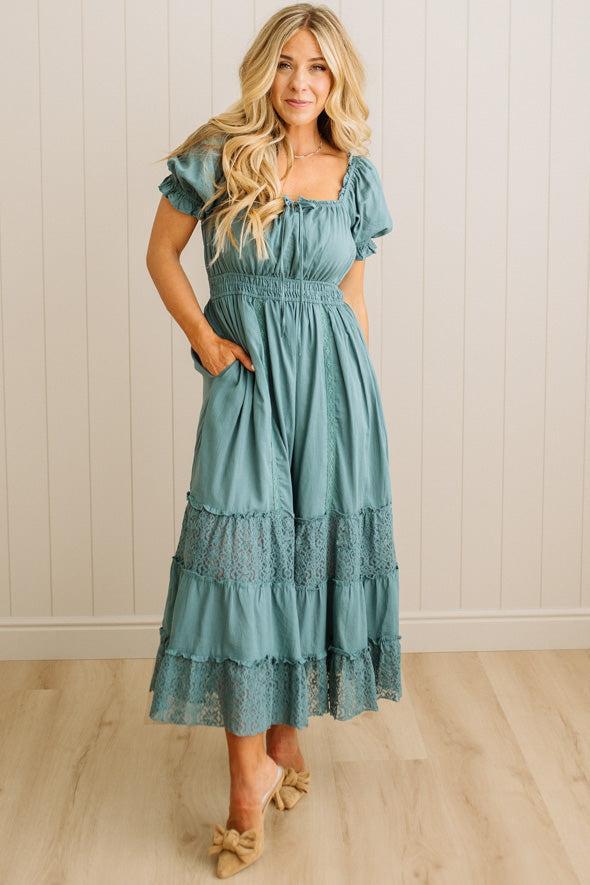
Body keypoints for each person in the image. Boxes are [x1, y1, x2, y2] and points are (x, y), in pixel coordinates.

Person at [146, 3, 402, 878]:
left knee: (307, 562)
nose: (301, 82)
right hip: (247, 383)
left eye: (319, 69)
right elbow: (162, 254)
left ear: (338, 80)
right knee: (243, 570)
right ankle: (246, 786)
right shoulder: (221, 152)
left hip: (336, 394)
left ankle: (282, 741)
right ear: (266, 68)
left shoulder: (356, 175)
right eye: (288, 64)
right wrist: (209, 345)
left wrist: (365, 403)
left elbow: (353, 296)